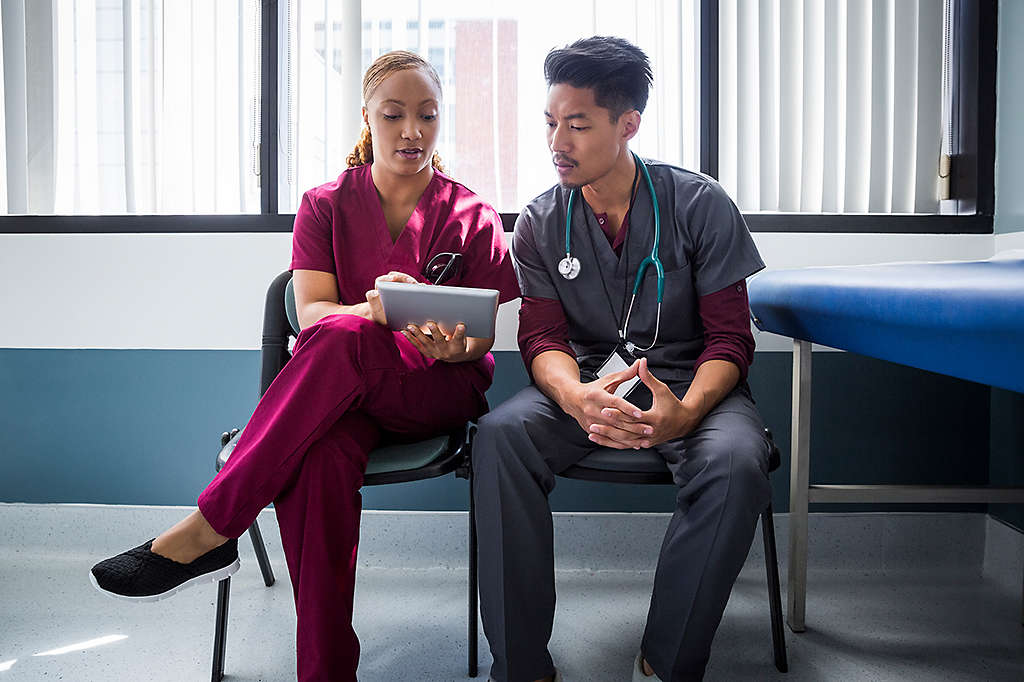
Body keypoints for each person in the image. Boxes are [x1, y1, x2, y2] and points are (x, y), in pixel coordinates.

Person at [90, 50, 520, 681]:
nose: (412, 131)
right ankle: (323, 671)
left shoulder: (472, 216)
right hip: (342, 395)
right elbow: (314, 310)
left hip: (434, 392)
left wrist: (448, 345)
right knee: (318, 452)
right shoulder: (323, 204)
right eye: (394, 114)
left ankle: (211, 526)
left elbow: (478, 344)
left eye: (427, 115)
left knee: (343, 341)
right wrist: (373, 312)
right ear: (367, 118)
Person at [473, 37, 770, 682]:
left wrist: (687, 412)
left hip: (690, 380)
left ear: (627, 124)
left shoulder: (700, 205)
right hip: (584, 383)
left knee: (736, 462)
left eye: (577, 125)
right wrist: (577, 396)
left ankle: (664, 663)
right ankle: (521, 667)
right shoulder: (540, 223)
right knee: (499, 439)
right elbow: (541, 339)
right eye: (551, 123)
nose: (558, 141)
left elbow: (730, 341)